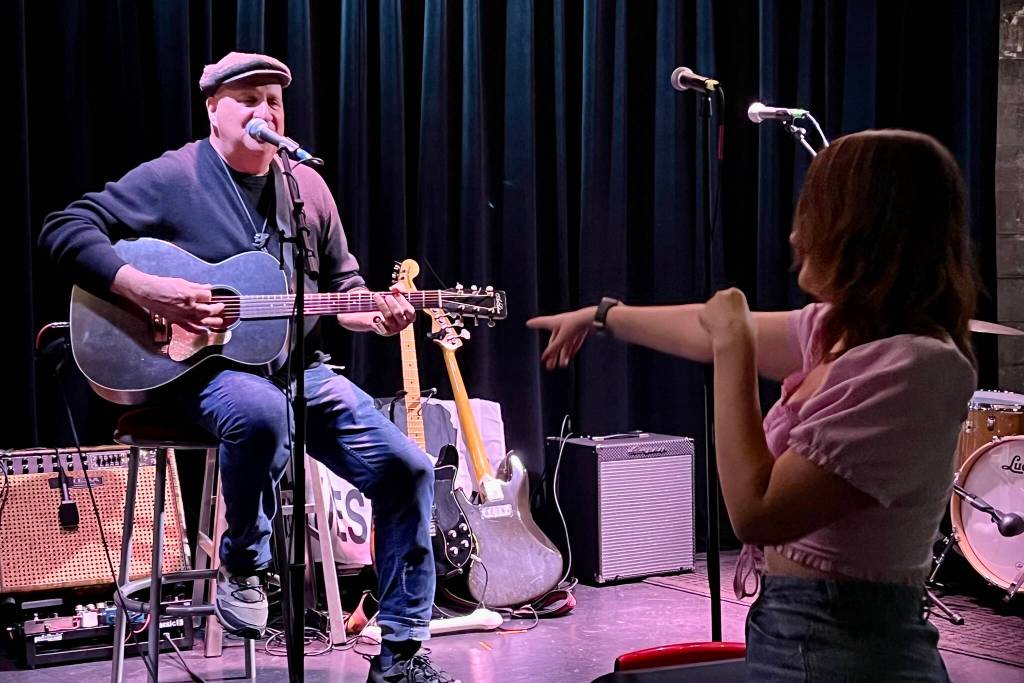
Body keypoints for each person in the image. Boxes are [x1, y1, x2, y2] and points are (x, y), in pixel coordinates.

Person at [40, 52, 457, 683]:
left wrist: (377, 315)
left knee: (409, 470)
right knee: (262, 414)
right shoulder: (176, 176)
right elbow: (64, 226)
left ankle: (400, 653)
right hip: (203, 375)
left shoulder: (305, 187)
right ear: (214, 109)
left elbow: (345, 290)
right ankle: (244, 562)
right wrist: (144, 288)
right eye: (250, 100)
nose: (265, 112)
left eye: (275, 102)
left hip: (299, 371)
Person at [528, 129, 979, 681]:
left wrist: (733, 348)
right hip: (794, 631)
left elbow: (756, 512)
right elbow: (704, 327)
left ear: (867, 229)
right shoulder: (839, 332)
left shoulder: (916, 367)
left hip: (849, 652)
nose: (794, 236)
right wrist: (601, 316)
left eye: (815, 214)